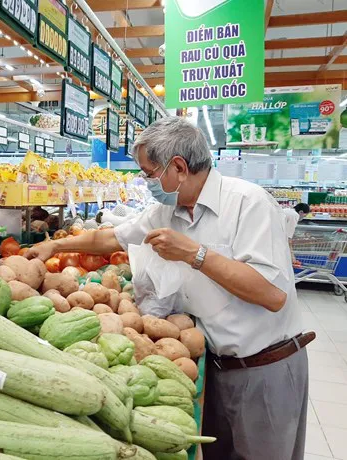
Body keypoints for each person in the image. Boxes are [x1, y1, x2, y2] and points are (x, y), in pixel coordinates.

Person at [26, 117, 312, 460]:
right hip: (214, 366)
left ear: (178, 167)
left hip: (265, 370)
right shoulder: (168, 209)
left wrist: (195, 254)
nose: (146, 182)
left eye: (149, 173)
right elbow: (111, 237)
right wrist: (55, 248)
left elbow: (272, 294)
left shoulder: (248, 203)